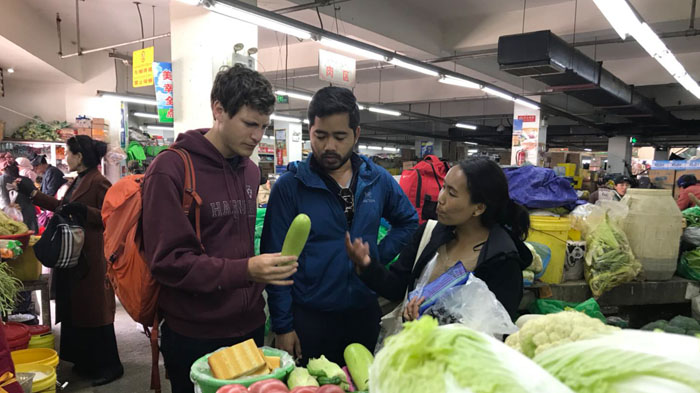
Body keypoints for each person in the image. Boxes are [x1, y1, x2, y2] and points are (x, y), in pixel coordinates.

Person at [141, 64, 297, 393]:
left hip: (250, 328)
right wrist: (246, 271)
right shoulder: (170, 169)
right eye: (249, 124)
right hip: (195, 334)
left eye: (264, 126)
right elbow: (167, 261)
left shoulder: (252, 172)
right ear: (219, 110)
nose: (257, 136)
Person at [261, 86, 418, 366]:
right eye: (320, 136)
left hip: (363, 313)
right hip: (310, 317)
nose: (329, 146)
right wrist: (283, 325)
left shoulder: (377, 180)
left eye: (339, 136)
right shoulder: (291, 187)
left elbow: (408, 221)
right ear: (310, 131)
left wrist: (375, 256)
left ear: (356, 135)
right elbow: (276, 261)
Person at [347, 157, 532, 321]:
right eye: (443, 187)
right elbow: (396, 287)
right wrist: (367, 265)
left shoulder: (501, 261)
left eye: (451, 193)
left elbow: (495, 325)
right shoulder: (428, 234)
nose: (440, 198)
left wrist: (431, 321)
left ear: (478, 208)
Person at [16, 136, 123, 386]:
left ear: (80, 156)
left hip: (91, 255)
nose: (65, 157)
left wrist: (88, 213)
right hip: (74, 254)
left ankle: (110, 366)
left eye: (68, 153)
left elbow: (113, 215)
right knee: (79, 310)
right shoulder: (78, 181)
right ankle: (85, 362)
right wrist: (32, 193)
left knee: (95, 311)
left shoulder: (97, 181)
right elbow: (62, 207)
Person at [0, 163, 39, 233]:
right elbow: (35, 195)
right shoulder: (26, 180)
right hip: (26, 214)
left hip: (14, 215)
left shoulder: (2, 179)